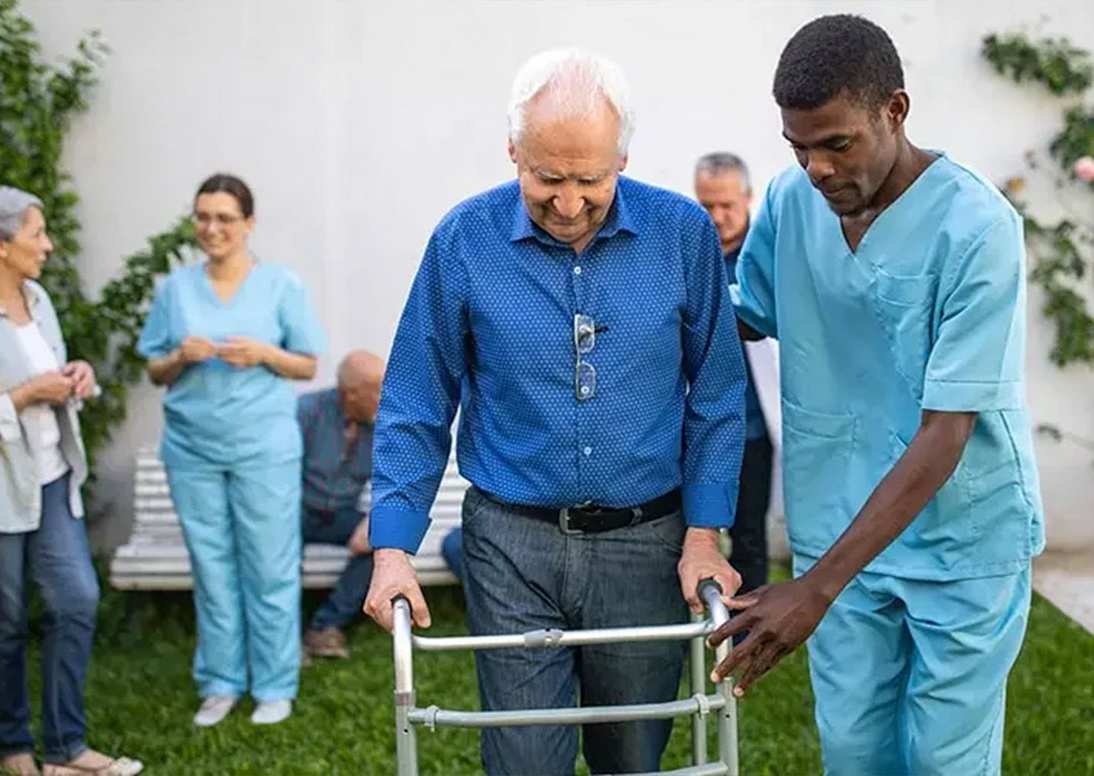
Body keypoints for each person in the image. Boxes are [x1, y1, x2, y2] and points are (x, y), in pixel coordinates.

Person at [363, 49, 747, 775]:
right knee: (522, 757)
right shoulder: (462, 240)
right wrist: (392, 553)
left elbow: (719, 396)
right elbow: (416, 400)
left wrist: (703, 535)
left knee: (632, 753)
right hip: (512, 543)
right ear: (514, 150)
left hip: (647, 540)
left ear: (622, 158)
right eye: (547, 178)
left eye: (590, 180)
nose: (568, 203)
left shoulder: (683, 234)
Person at [707, 16, 1044, 776]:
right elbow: (744, 316)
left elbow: (946, 430)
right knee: (856, 752)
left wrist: (814, 589)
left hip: (963, 540)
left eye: (837, 143)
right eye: (799, 147)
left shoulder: (977, 227)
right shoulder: (793, 206)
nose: (817, 167)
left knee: (942, 760)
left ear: (895, 110)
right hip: (840, 522)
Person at [137, 174, 325, 727]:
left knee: (269, 567)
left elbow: (308, 363)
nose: (211, 228)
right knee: (212, 568)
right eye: (202, 217)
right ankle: (220, 681)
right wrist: (180, 356)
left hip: (262, 446)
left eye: (224, 217)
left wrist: (266, 352)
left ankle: (274, 683)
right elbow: (154, 369)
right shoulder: (175, 291)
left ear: (249, 223)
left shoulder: (281, 286)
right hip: (192, 449)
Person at [0, 187, 142, 776]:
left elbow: (49, 376)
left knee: (76, 599)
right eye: (36, 233)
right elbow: (25, 392)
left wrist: (76, 377)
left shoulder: (38, 300)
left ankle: (65, 749)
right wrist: (28, 394)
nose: (48, 245)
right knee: (4, 618)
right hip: (3, 489)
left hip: (54, 477)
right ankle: (13, 746)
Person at [694, 153, 774, 594]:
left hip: (753, 428)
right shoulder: (691, 254)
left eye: (726, 205)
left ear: (747, 197)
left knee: (748, 533)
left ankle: (748, 628)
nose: (718, 217)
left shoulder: (763, 257)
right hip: (697, 428)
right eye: (707, 205)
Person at [299, 350, 384, 660]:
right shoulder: (306, 412)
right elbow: (278, 475)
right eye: (377, 389)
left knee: (384, 541)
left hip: (341, 515)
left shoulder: (381, 425)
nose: (384, 397)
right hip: (295, 511)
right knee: (277, 548)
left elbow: (390, 480)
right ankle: (283, 636)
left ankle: (325, 627)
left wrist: (374, 518)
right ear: (351, 393)